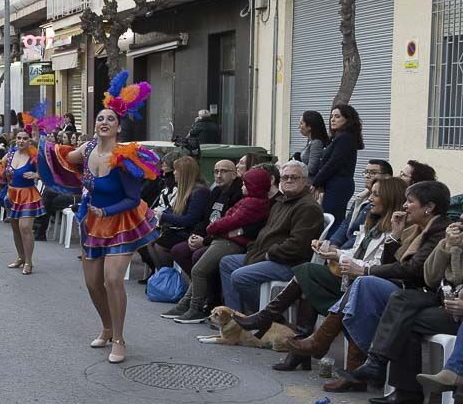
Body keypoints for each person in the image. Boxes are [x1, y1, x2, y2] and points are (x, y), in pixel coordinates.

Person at [239, 177, 407, 374]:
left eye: (376, 194)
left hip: (365, 288)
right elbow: (355, 251)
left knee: (307, 277)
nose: (370, 198)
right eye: (370, 193)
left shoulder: (398, 229)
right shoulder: (373, 222)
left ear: (390, 198)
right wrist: (332, 252)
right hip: (350, 279)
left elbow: (380, 267)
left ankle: (273, 324)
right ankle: (287, 336)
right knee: (308, 275)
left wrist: (340, 257)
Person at [64, 71, 161, 364]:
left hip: (121, 221)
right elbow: (66, 159)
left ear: (119, 127)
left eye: (110, 120)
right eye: (100, 119)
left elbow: (133, 199)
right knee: (92, 283)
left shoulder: (125, 156)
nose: (103, 122)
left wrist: (106, 210)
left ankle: (119, 339)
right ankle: (106, 327)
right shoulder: (89, 149)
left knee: (112, 279)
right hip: (91, 222)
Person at [329, 181, 451, 404]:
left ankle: (377, 366)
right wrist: (395, 235)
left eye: (410, 202)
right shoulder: (417, 229)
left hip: (432, 295)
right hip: (415, 293)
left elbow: (414, 271)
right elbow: (392, 266)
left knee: (395, 301)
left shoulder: (439, 230)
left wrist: (366, 269)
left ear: (429, 207)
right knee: (375, 290)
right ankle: (401, 388)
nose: (405, 206)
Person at [167, 166, 273, 323]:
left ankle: (196, 308)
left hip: (231, 243)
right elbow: (224, 218)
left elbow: (228, 221)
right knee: (197, 266)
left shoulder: (252, 203)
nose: (242, 186)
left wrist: (213, 229)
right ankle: (187, 303)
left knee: (199, 270)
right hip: (223, 239)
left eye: (246, 183)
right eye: (215, 170)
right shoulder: (243, 199)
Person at [218, 160, 325, 313]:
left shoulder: (307, 207)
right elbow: (266, 233)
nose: (288, 180)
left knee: (240, 276)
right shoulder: (281, 202)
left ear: (305, 181)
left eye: (294, 177)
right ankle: (235, 318)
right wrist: (254, 249)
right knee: (227, 262)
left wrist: (270, 254)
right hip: (265, 255)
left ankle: (266, 316)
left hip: (289, 263)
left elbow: (298, 246)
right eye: (285, 177)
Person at [141, 156, 211, 275]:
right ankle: (162, 276)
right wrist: (158, 214)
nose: (174, 173)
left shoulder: (199, 192)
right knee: (149, 242)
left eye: (176, 170)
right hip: (180, 229)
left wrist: (163, 216)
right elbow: (173, 210)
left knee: (159, 245)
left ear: (184, 173)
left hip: (192, 231)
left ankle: (169, 277)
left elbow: (190, 219)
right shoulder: (185, 189)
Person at [0, 127, 45, 274]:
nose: (21, 141)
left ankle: (29, 262)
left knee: (25, 227)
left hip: (28, 195)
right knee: (15, 228)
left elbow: (47, 174)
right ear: (15, 139)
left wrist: (37, 175)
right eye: (19, 138)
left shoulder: (34, 155)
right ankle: (20, 257)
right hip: (12, 194)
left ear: (30, 141)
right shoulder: (11, 154)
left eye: (25, 138)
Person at [312, 103, 364, 230]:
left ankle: (331, 244)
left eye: (337, 116)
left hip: (339, 185)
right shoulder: (337, 137)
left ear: (347, 119)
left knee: (333, 220)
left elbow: (333, 163)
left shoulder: (345, 138)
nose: (333, 120)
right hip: (334, 184)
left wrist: (316, 182)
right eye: (331, 117)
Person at [325, 159, 393, 249]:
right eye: (366, 172)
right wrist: (333, 243)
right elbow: (346, 224)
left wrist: (339, 253)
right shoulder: (361, 197)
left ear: (387, 177)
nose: (367, 176)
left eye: (373, 173)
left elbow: (360, 235)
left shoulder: (381, 204)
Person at [293, 110, 329, 178]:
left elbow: (311, 169)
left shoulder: (316, 143)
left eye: (301, 123)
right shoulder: (311, 142)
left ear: (309, 126)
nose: (299, 127)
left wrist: (297, 163)